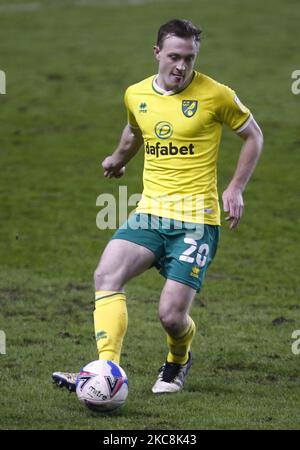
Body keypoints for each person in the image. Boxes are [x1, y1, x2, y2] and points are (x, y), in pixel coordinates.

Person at [53, 19, 263, 394]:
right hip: (150, 213)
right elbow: (136, 129)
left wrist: (236, 187)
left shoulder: (216, 95)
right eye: (174, 57)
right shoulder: (135, 94)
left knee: (170, 316)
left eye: (189, 58)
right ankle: (106, 368)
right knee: (106, 275)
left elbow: (253, 135)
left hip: (197, 222)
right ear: (157, 54)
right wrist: (119, 158)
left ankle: (178, 359)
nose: (181, 66)